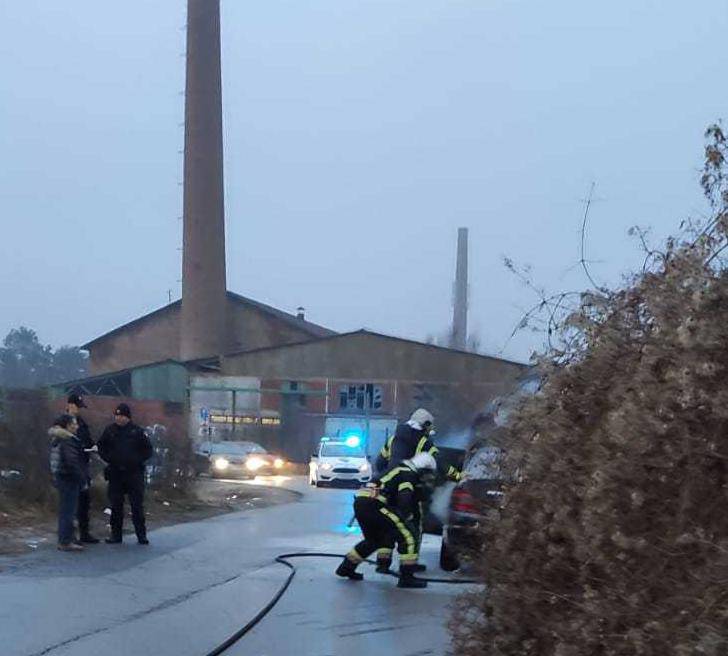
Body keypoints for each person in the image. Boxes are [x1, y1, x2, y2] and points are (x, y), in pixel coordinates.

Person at [374, 408, 461, 571]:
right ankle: (408, 566)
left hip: (390, 488)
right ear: (425, 425)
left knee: (388, 524)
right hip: (408, 490)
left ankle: (383, 563)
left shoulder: (393, 438)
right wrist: (458, 476)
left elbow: (380, 462)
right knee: (412, 526)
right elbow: (440, 464)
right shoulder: (423, 442)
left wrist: (387, 477)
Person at [336, 452, 438, 589]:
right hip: (375, 504)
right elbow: (405, 497)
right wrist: (405, 517)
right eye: (427, 474)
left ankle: (346, 568)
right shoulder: (408, 474)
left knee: (374, 540)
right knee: (409, 535)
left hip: (362, 502)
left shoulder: (398, 469)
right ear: (422, 468)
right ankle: (407, 578)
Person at [97, 403, 153, 545]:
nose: (119, 418)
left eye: (122, 416)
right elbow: (101, 447)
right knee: (116, 505)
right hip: (116, 473)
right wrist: (109, 458)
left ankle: (141, 535)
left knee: (137, 506)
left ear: (128, 417)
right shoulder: (110, 431)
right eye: (117, 415)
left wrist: (137, 460)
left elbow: (148, 450)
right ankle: (116, 535)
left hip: (134, 474)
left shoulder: (137, 431)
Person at [49, 414, 86, 552]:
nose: (76, 426)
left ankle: (66, 538)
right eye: (74, 424)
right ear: (67, 426)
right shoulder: (67, 440)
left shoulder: (57, 438)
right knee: (68, 511)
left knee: (65, 510)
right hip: (68, 478)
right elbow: (72, 462)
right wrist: (81, 478)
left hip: (60, 477)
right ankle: (65, 541)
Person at [66, 393, 99, 544]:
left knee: (84, 500)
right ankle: (70, 536)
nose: (79, 410)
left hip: (83, 466)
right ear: (71, 405)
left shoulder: (81, 422)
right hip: (71, 467)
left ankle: (84, 532)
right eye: (77, 406)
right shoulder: (63, 422)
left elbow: (87, 439)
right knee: (72, 503)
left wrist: (93, 447)